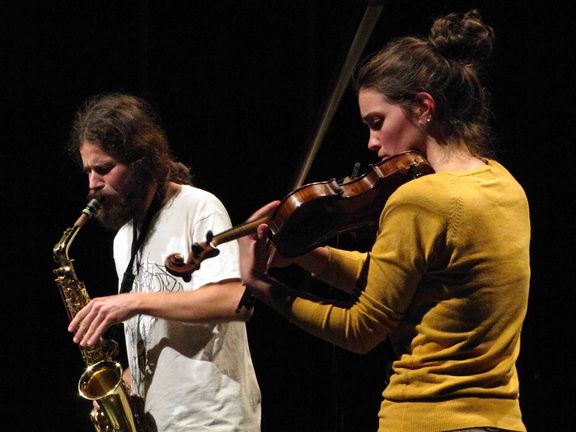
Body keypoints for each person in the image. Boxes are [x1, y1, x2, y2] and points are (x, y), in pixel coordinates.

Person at [238, 10, 529, 432]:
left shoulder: (420, 199)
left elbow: (361, 330)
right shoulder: (504, 183)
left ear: (424, 107)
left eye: (377, 123)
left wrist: (262, 287)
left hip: (426, 417)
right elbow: (398, 279)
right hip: (500, 421)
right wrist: (308, 255)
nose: (372, 143)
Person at [66, 93, 261, 431]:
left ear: (141, 160)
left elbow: (236, 301)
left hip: (212, 419)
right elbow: (157, 337)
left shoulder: (198, 207)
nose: (92, 184)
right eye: (88, 171)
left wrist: (133, 302)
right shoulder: (123, 239)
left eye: (103, 169)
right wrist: (121, 388)